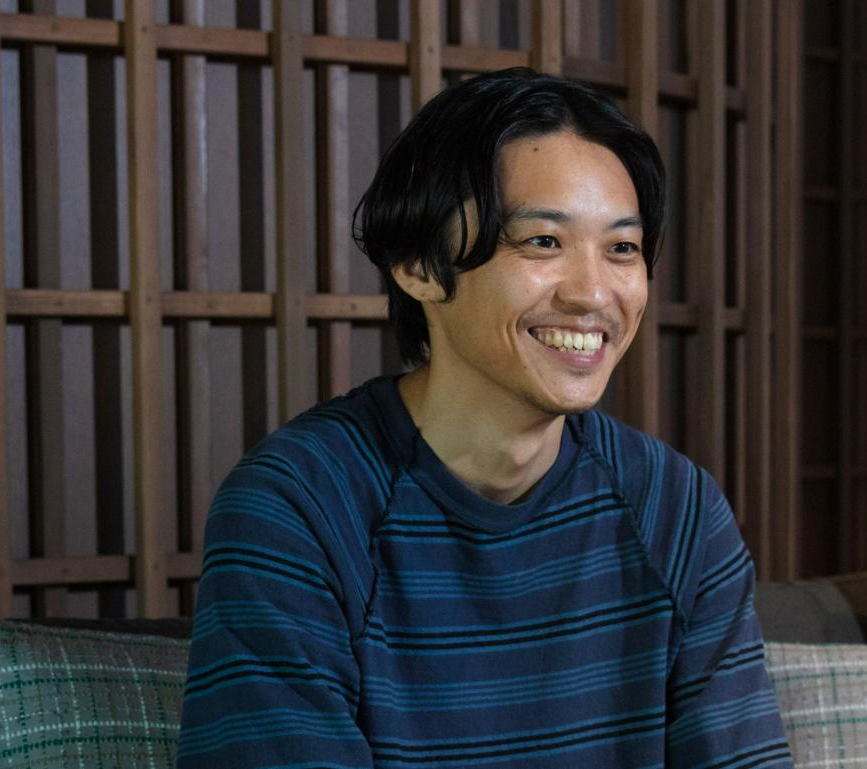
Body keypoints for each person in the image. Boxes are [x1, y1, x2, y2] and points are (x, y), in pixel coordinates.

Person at [178, 67, 793, 769]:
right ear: (417, 264)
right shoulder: (300, 507)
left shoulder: (675, 510)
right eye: (543, 242)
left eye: (621, 248)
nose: (594, 293)